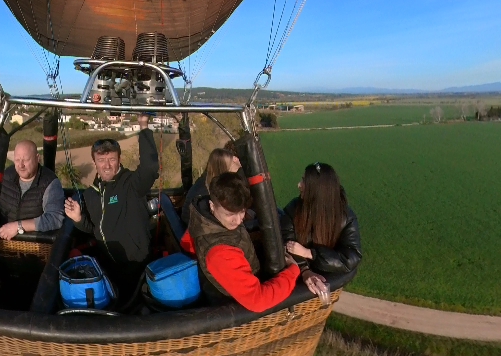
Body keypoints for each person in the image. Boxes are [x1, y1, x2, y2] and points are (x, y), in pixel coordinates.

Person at [187, 172, 329, 313]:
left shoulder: (210, 219)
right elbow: (258, 300)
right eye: (230, 214)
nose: (238, 220)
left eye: (241, 211)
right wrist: (294, 270)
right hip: (239, 310)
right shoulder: (220, 253)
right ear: (212, 205)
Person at [62, 131, 159, 303]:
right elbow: (94, 229)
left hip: (136, 265)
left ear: (119, 159)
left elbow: (150, 168)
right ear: (95, 162)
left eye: (112, 159)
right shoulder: (91, 194)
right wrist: (78, 219)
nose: (107, 165)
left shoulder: (131, 184)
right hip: (108, 266)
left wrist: (144, 128)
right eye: (101, 160)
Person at [281, 162, 362, 276]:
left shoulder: (346, 218)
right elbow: (286, 243)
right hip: (299, 274)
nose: (299, 185)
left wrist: (311, 253)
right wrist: (305, 270)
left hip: (328, 276)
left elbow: (351, 257)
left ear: (317, 190)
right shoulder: (294, 209)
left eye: (304, 181)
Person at [0, 139, 64, 239]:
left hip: (33, 244)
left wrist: (18, 226)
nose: (21, 165)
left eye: (26, 160)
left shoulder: (50, 183)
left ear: (37, 158)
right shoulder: (6, 175)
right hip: (2, 241)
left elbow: (55, 219)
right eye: (17, 160)